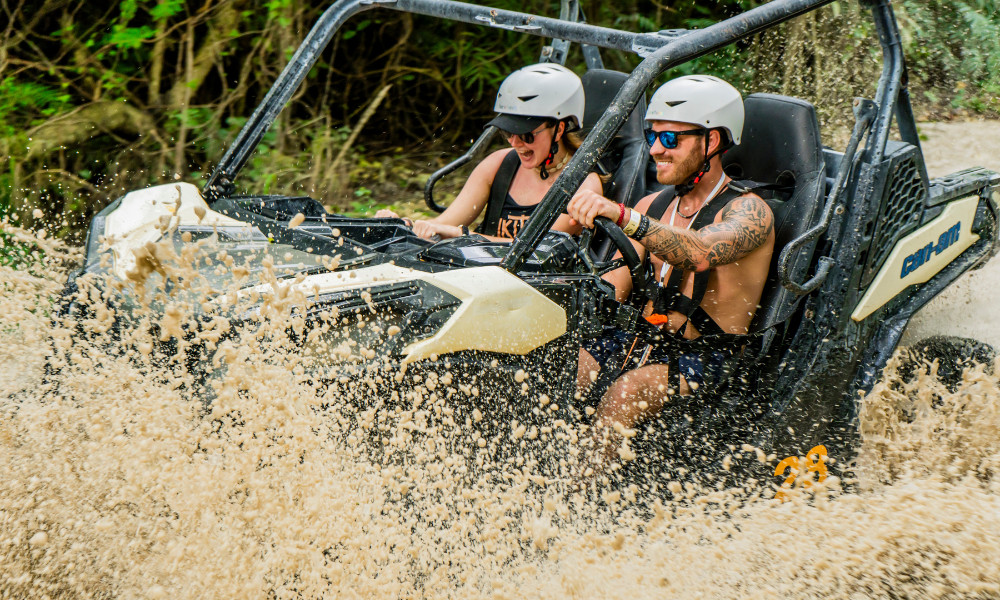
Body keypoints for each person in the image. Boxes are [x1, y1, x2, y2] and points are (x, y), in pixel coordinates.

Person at [566, 75, 775, 453]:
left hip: (709, 357)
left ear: (711, 141)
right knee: (565, 367)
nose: (656, 150)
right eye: (652, 137)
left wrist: (621, 215)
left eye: (670, 139)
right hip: (639, 339)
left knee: (627, 391)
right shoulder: (654, 206)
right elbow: (614, 286)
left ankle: (577, 505)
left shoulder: (750, 211)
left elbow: (697, 253)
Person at [376, 63, 603, 240]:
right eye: (508, 132)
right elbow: (445, 223)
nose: (515, 143)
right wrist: (404, 227)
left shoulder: (583, 186)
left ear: (559, 128)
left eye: (526, 135)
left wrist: (462, 235)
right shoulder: (499, 165)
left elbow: (535, 250)